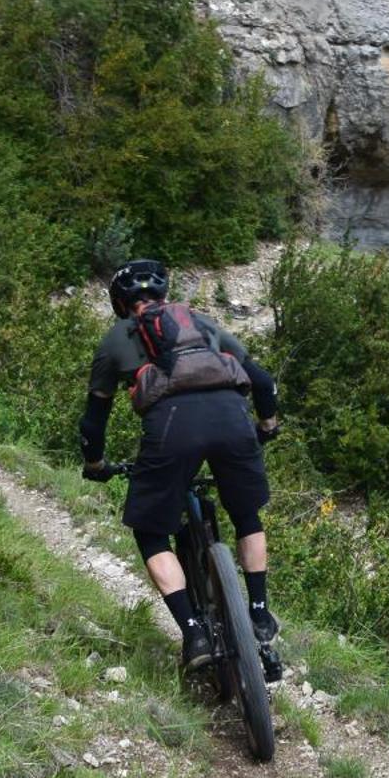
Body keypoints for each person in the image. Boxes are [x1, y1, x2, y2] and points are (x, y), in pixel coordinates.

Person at [79, 259, 282, 672]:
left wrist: (96, 462)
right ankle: (259, 613)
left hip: (172, 428)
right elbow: (261, 381)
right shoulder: (201, 322)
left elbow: (94, 418)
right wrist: (266, 426)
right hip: (232, 417)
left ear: (121, 304)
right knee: (246, 515)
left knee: (151, 532)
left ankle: (194, 634)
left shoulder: (116, 338)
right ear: (164, 296)